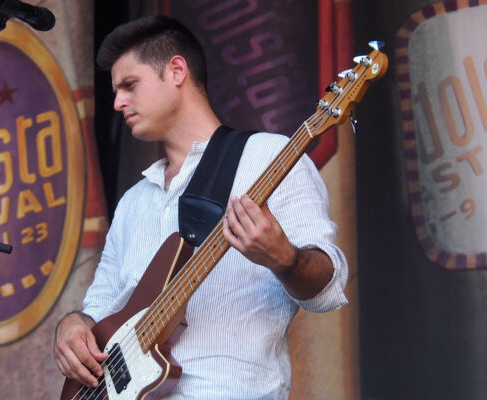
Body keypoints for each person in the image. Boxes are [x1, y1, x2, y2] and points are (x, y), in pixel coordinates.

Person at [54, 15, 348, 399]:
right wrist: (72, 326)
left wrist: (285, 259)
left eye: (129, 85)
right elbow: (100, 307)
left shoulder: (268, 156)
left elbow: (327, 289)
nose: (118, 102)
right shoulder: (134, 201)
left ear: (176, 71)